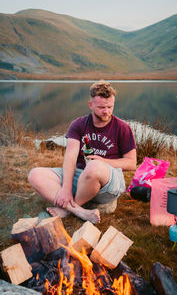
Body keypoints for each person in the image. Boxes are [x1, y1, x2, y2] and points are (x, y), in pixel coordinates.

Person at [28, 80, 137, 224]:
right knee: (35, 174)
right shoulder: (78, 124)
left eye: (110, 107)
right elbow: (70, 157)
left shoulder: (122, 128)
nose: (106, 111)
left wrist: (102, 161)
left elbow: (131, 163)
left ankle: (67, 208)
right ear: (90, 105)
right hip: (81, 176)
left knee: (94, 166)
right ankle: (79, 211)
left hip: (109, 182)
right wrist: (66, 188)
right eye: (101, 107)